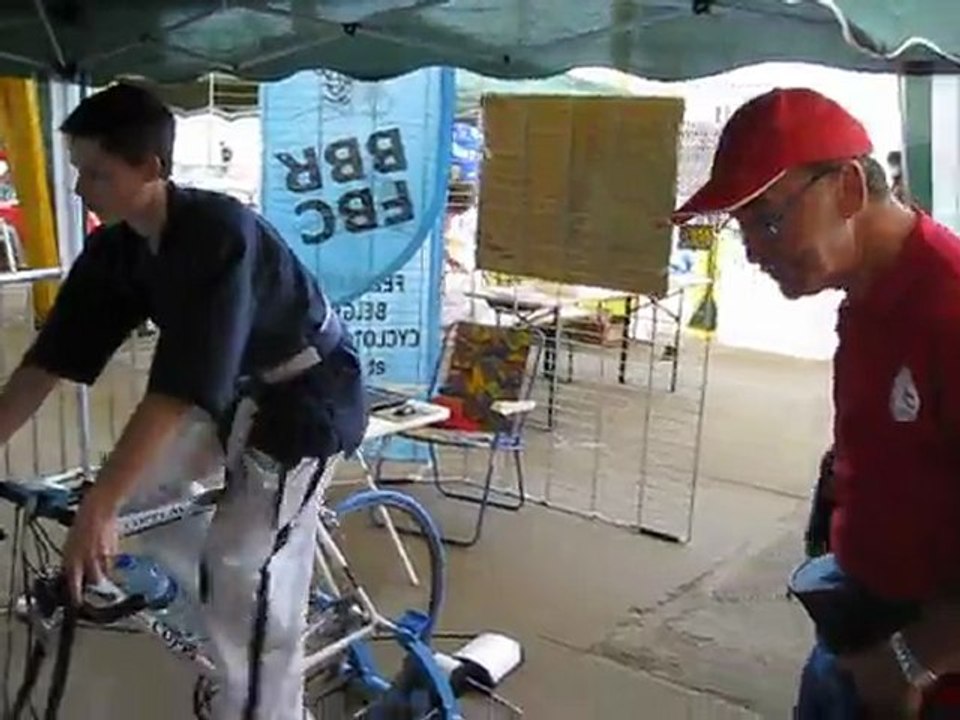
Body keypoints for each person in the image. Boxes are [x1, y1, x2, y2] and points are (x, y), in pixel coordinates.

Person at [0, 83, 367, 719]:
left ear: (152, 169)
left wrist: (99, 508)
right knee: (146, 498)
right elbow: (47, 362)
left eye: (97, 174)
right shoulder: (117, 247)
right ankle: (220, 597)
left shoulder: (219, 233)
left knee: (244, 574)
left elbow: (175, 389)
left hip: (307, 399)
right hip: (234, 391)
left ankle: (267, 700)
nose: (83, 190)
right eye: (78, 172)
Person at [673, 87, 960, 719]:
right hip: (856, 633)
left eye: (767, 218)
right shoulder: (865, 297)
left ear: (849, 190)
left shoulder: (948, 308)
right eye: (741, 226)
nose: (750, 250)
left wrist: (915, 660)